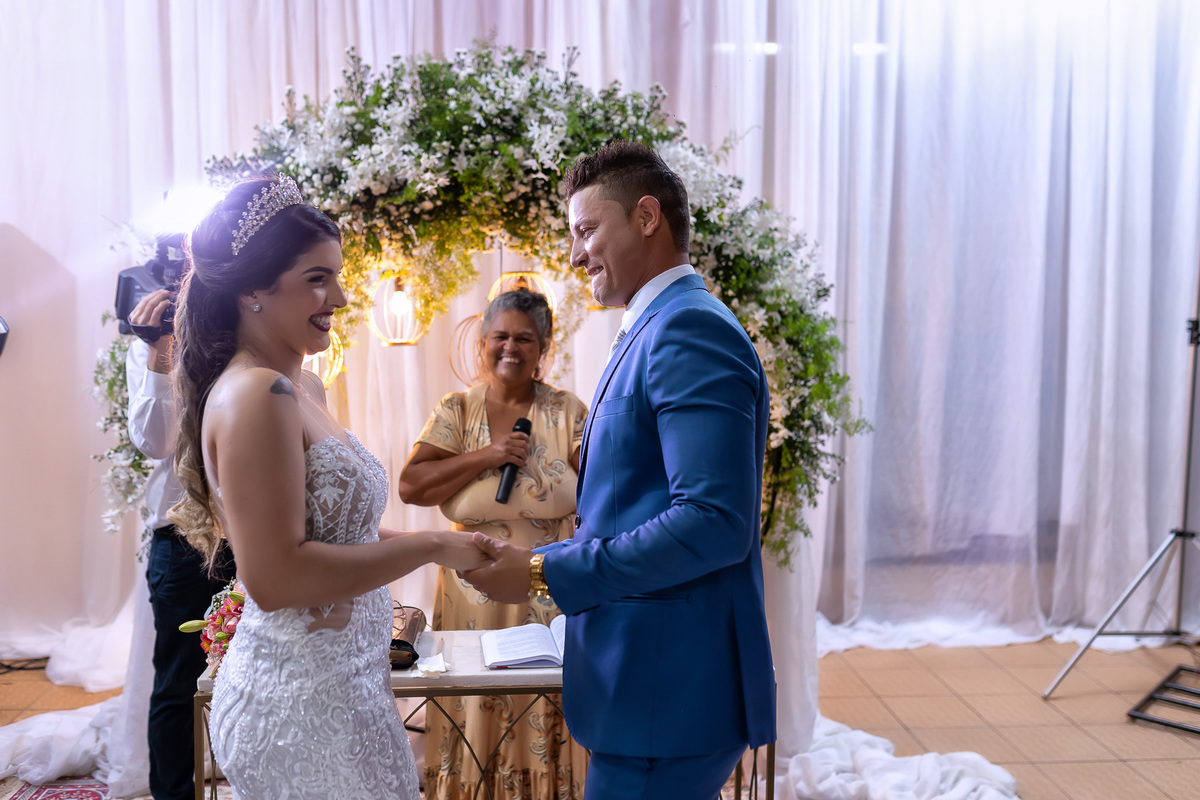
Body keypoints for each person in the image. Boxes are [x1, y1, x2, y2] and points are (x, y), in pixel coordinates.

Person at [462, 141, 777, 800]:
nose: (575, 254)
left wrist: (545, 572)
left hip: (667, 691)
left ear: (646, 217)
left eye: (586, 230)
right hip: (647, 685)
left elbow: (712, 522)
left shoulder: (689, 330)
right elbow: (629, 508)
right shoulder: (656, 324)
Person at [168, 174, 488, 799]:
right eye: (318, 278)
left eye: (336, 276)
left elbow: (343, 533)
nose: (339, 297)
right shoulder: (256, 394)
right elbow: (275, 578)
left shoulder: (302, 387)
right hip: (299, 708)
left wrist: (447, 544)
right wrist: (431, 548)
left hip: (347, 686)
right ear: (252, 289)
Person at [398, 288, 589, 799]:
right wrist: (489, 454)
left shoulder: (568, 411)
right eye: (500, 336)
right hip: (472, 594)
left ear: (543, 347)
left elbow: (604, 487)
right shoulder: (456, 410)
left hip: (546, 589)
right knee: (475, 710)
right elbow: (411, 486)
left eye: (525, 338)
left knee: (543, 707)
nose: (511, 347)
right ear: (482, 342)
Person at [125, 289, 236, 800]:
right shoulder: (150, 347)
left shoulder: (247, 340)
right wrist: (160, 348)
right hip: (183, 535)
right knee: (178, 681)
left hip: (257, 530)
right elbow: (156, 441)